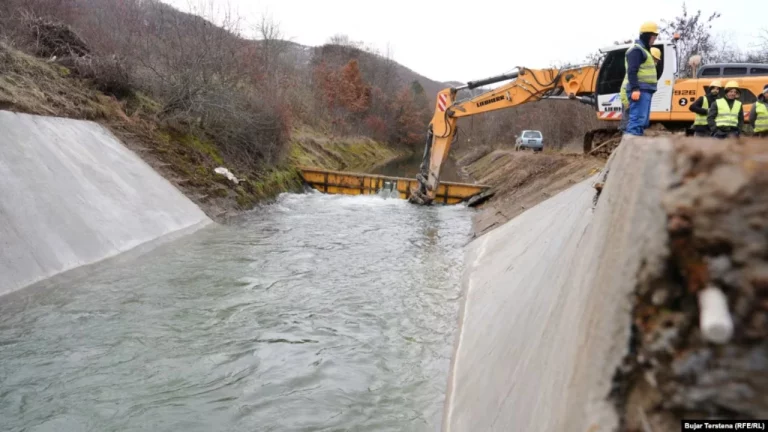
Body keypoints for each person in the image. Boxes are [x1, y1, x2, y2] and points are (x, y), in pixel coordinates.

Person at [623, 21, 660, 136]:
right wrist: (635, 89)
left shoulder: (644, 51)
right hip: (640, 91)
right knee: (637, 121)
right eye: (653, 37)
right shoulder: (637, 50)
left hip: (645, 91)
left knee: (642, 122)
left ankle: (634, 149)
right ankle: (630, 150)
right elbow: (632, 71)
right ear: (647, 36)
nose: (654, 40)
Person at [620, 47, 661, 132]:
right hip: (629, 100)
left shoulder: (645, 71)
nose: (655, 62)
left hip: (631, 98)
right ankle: (628, 141)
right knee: (630, 123)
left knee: (637, 122)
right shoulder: (637, 72)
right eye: (655, 59)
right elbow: (625, 88)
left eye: (657, 60)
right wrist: (627, 102)